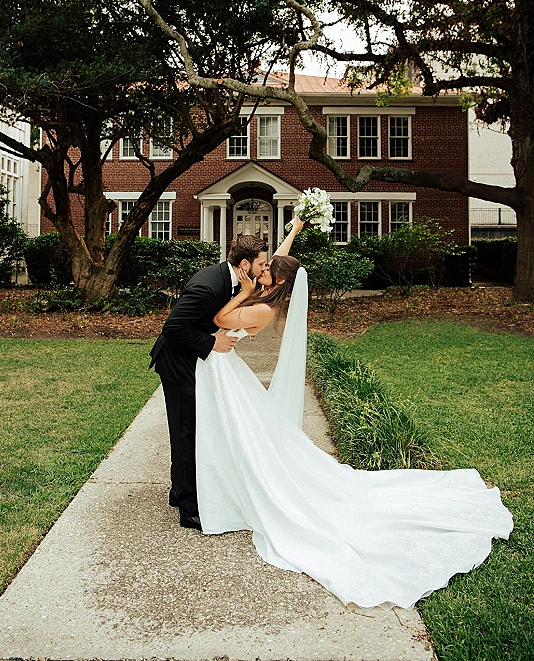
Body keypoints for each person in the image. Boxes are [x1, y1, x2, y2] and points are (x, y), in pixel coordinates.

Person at [193, 218, 514, 610]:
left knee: (243, 437)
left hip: (225, 365)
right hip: (223, 367)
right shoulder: (270, 285)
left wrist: (242, 291)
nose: (260, 269)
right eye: (259, 266)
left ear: (274, 282)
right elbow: (280, 258)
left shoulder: (262, 310)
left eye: (265, 270)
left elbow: (220, 321)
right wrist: (295, 227)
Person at [150, 233, 268, 530]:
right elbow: (173, 327)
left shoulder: (235, 280)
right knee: (186, 431)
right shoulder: (208, 286)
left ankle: (179, 491)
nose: (264, 269)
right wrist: (210, 343)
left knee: (189, 428)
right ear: (245, 264)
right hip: (176, 364)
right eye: (262, 264)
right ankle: (189, 509)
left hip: (189, 361)